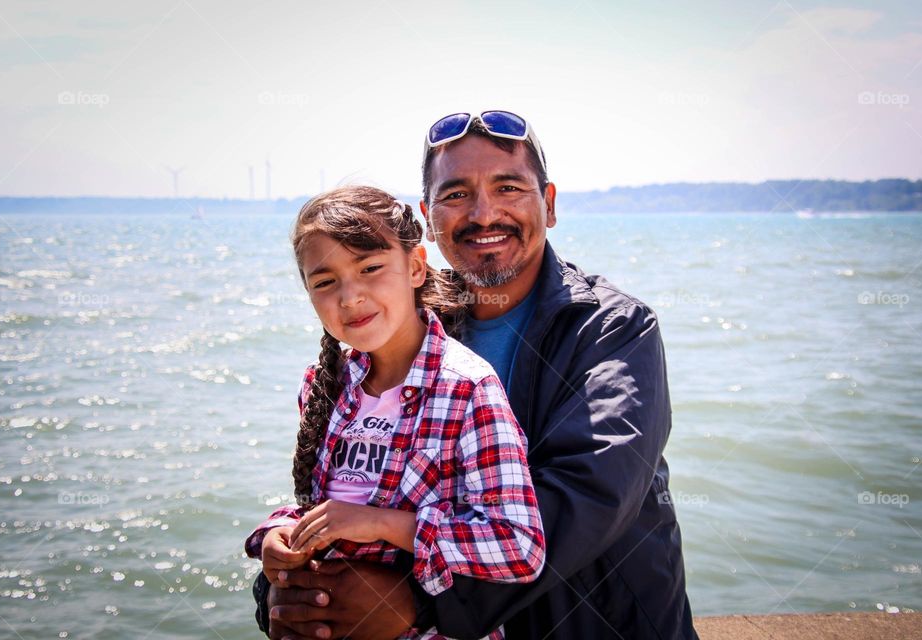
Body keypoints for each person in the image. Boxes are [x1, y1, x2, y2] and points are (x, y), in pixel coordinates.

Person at [251, 112, 698, 639]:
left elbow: (588, 499)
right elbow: (350, 493)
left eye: (508, 187)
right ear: (428, 217)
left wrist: (417, 604)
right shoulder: (397, 327)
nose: (484, 214)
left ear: (549, 205)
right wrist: (294, 591)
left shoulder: (612, 328)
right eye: (456, 194)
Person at [244, 185, 546, 640]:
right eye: (325, 282)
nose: (349, 297)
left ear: (416, 267)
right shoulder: (324, 385)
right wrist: (280, 535)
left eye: (370, 268)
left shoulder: (467, 389)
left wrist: (382, 524)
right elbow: (325, 507)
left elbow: (518, 546)